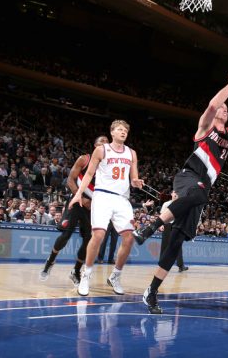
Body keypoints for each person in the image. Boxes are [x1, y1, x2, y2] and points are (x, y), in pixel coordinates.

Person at [134, 70, 228, 314]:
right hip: (188, 177)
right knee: (200, 193)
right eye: (223, 106)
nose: (225, 109)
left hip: (202, 187)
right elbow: (212, 104)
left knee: (176, 242)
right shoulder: (204, 127)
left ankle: (152, 291)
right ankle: (149, 227)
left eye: (227, 108)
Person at [70, 120, 143, 296]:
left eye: (126, 130)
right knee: (99, 235)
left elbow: (133, 177)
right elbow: (89, 173)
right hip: (102, 195)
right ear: (112, 132)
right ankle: (86, 274)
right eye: (120, 129)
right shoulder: (101, 150)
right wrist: (79, 193)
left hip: (122, 199)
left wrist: (136, 182)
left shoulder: (132, 153)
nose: (123, 132)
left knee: (129, 238)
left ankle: (115, 276)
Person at [41, 136, 108, 286]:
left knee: (88, 240)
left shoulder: (108, 167)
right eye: (102, 141)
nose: (105, 144)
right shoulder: (84, 159)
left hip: (93, 206)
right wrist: (81, 197)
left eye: (106, 142)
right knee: (66, 234)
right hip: (77, 201)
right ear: (95, 145)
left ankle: (76, 271)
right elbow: (70, 180)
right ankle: (50, 261)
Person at [159, 191, 188, 272]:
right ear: (171, 194)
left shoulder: (181, 204)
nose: (176, 194)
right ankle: (161, 264)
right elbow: (161, 216)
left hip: (177, 226)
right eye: (174, 192)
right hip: (167, 225)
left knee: (178, 246)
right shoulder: (166, 204)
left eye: (177, 193)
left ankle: (181, 266)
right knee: (165, 245)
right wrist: (161, 225)